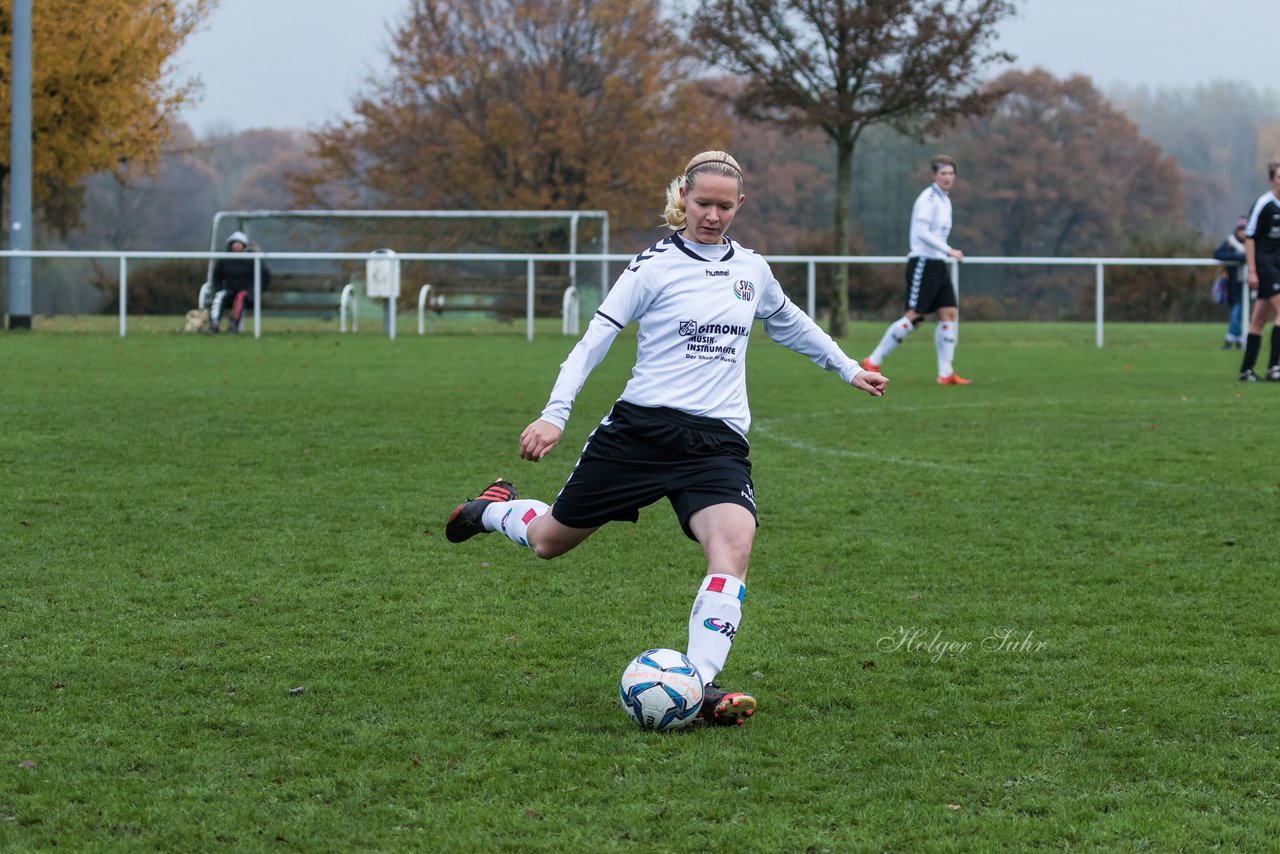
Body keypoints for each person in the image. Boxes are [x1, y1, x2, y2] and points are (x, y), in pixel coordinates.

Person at [443, 151, 888, 727]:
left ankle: (699, 686)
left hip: (717, 442)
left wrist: (848, 367)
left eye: (724, 206)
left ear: (739, 206)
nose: (712, 215)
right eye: (702, 203)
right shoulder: (651, 266)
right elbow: (592, 343)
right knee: (551, 540)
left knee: (734, 548)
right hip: (640, 433)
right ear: (683, 198)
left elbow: (790, 322)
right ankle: (488, 511)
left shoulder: (751, 269)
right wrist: (555, 414)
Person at [861, 154, 970, 385]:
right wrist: (949, 250)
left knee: (949, 313)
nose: (948, 177)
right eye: (943, 173)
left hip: (938, 264)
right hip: (923, 262)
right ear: (934, 175)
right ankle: (873, 359)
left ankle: (946, 373)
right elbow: (921, 233)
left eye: (951, 173)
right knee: (915, 316)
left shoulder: (944, 199)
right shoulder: (928, 199)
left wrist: (944, 254)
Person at [1238, 162, 1280, 382]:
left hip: (1278, 264)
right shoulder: (1264, 203)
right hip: (1265, 265)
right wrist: (1252, 270)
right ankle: (1274, 368)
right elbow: (1250, 237)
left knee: (1259, 318)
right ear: (1272, 180)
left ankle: (1246, 370)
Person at [207, 231, 271, 334]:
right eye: (234, 243)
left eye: (239, 243)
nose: (236, 245)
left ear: (244, 245)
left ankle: (233, 324)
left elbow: (265, 277)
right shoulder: (224, 260)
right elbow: (217, 278)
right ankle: (214, 324)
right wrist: (220, 289)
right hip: (230, 292)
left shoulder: (252, 259)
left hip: (247, 294)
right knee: (220, 295)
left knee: (241, 296)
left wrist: (254, 291)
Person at [1213, 217, 1248, 350]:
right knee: (1236, 311)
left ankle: (1234, 339)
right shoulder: (1230, 242)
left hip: (1247, 285)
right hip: (1233, 284)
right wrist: (1239, 257)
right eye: (1241, 230)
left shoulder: (1252, 243)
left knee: (1239, 313)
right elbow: (1217, 254)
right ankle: (1234, 338)